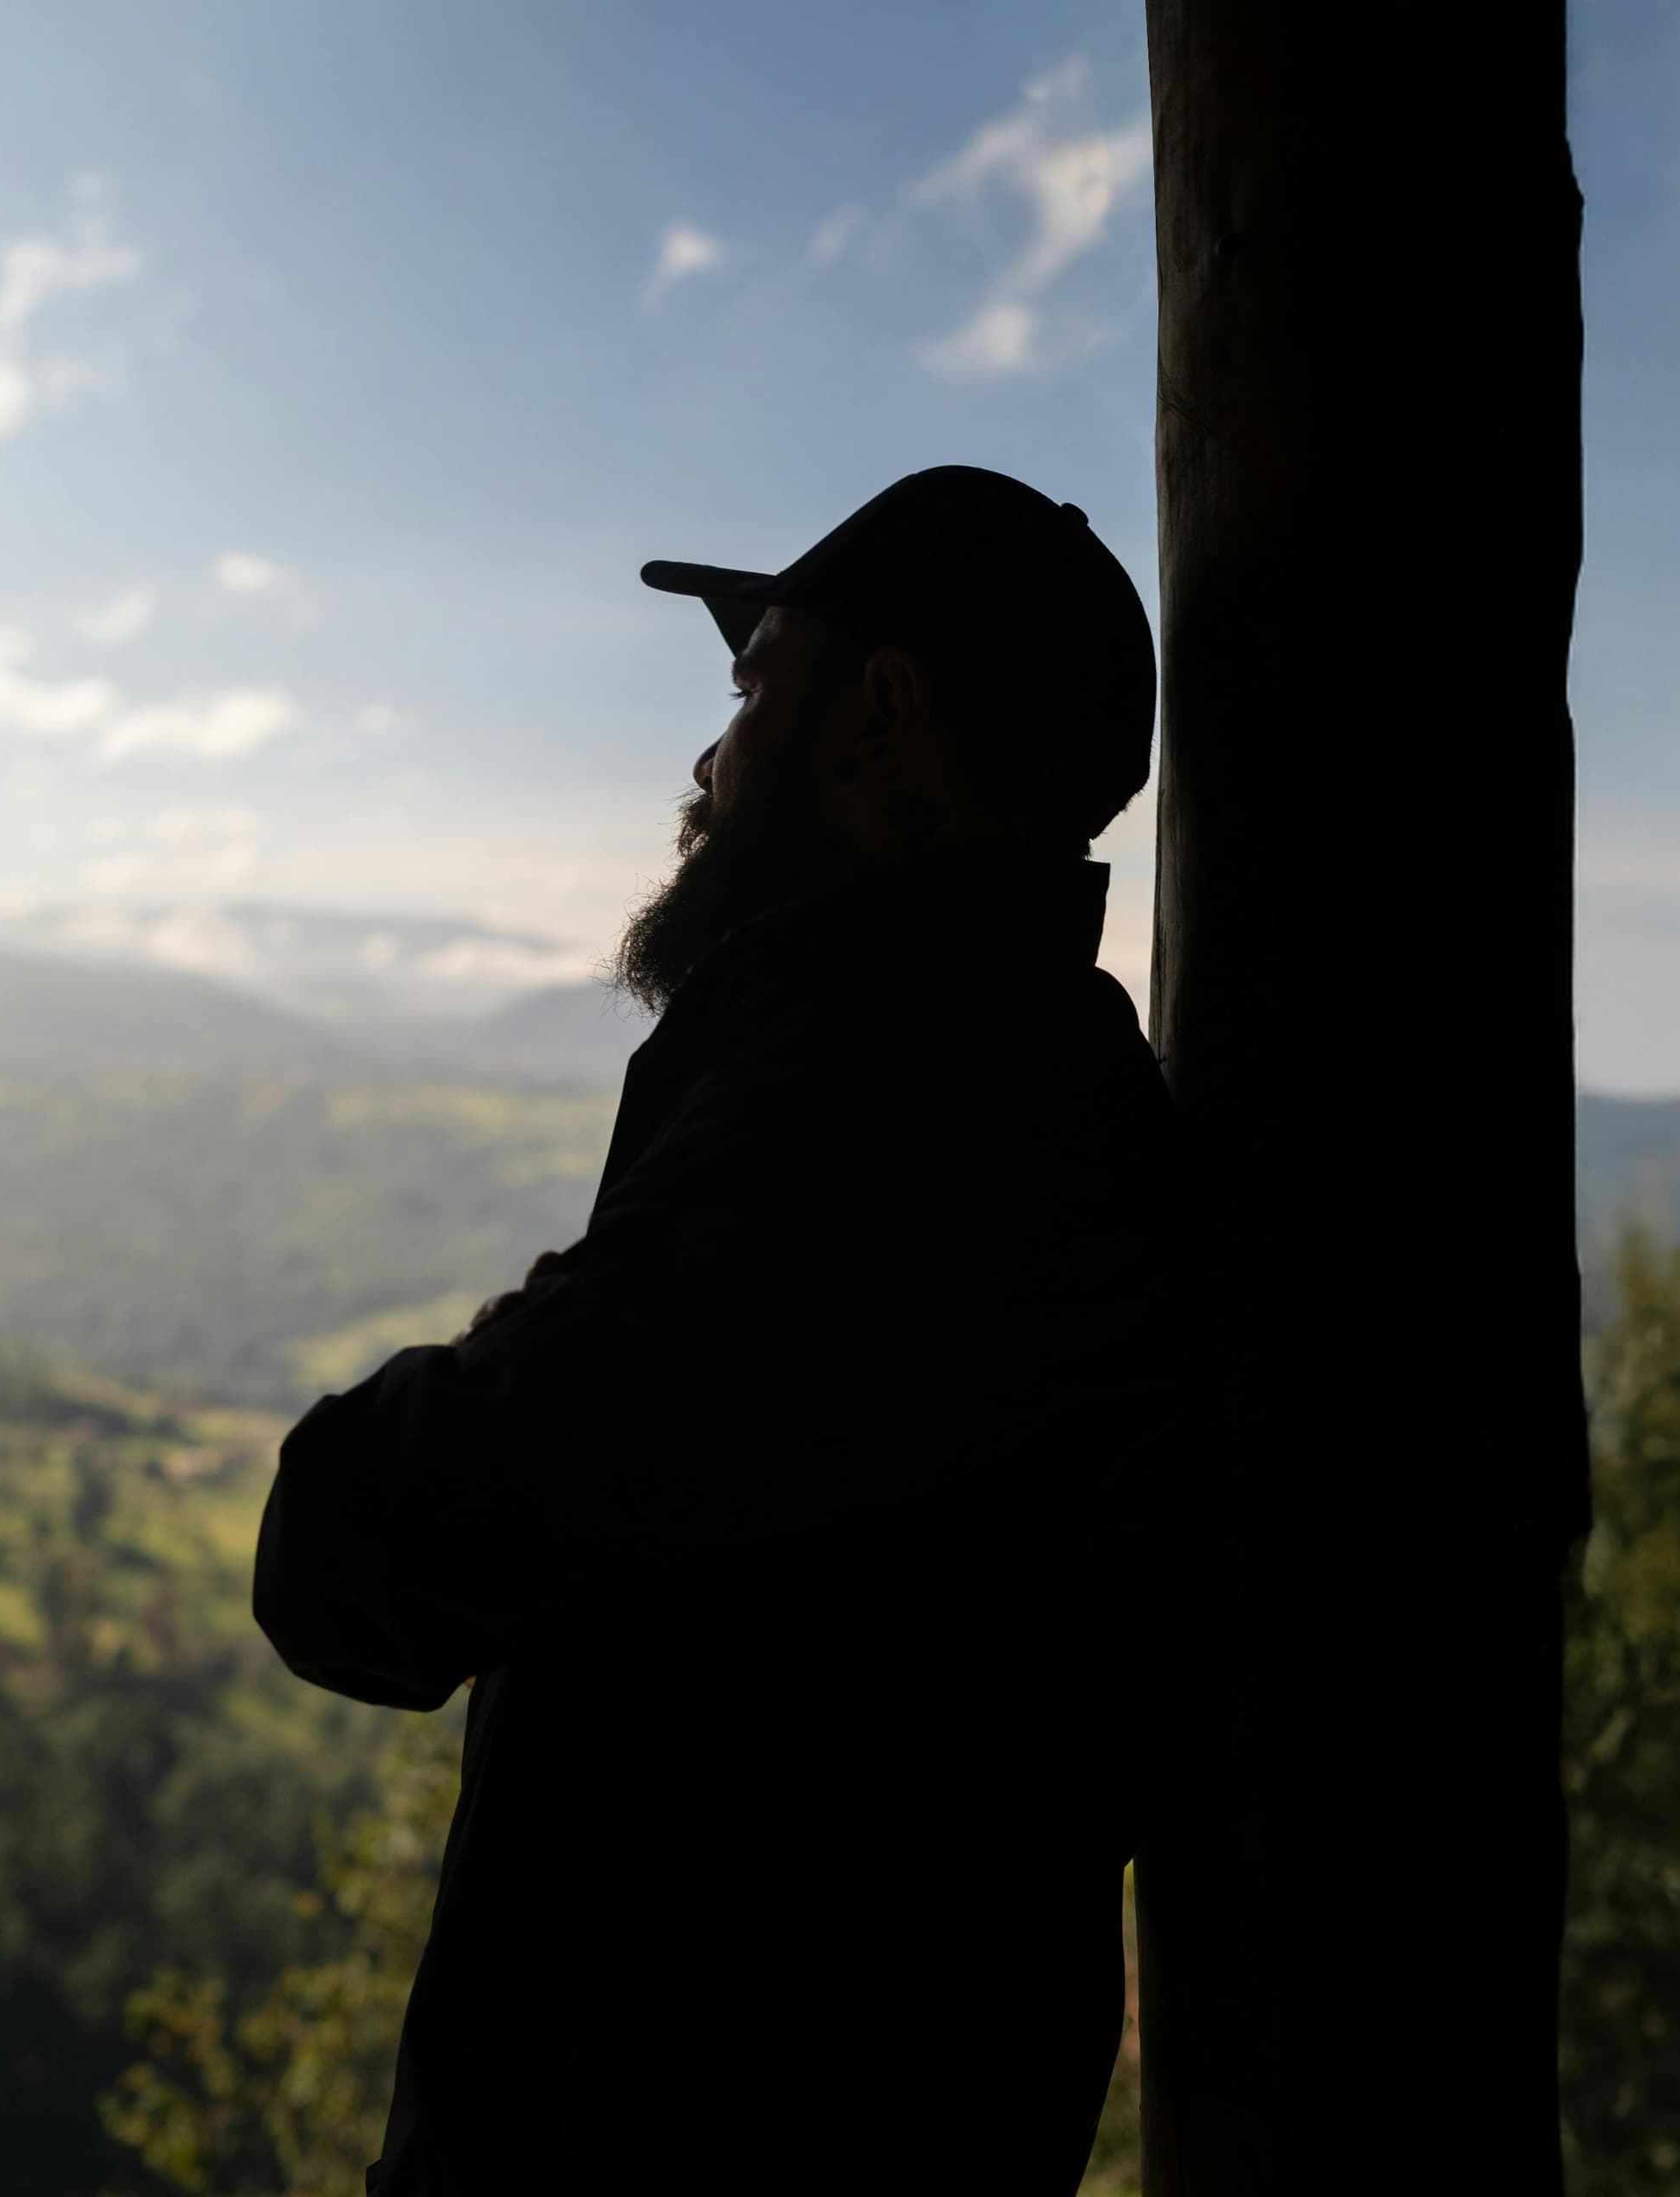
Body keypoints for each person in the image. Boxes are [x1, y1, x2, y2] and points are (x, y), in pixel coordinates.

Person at [252, 465, 1181, 2191]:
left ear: (882, 720)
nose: (705, 762)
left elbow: (358, 1551)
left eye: (756, 685)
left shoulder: (873, 1101)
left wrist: (515, 1340)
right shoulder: (1059, 1091)